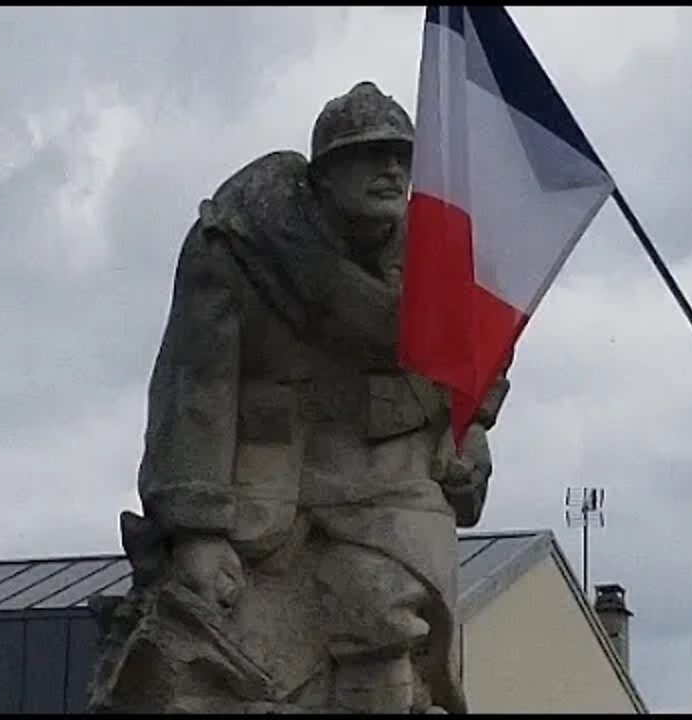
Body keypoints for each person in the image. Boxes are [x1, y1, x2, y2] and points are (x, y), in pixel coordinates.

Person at [93, 81, 509, 714]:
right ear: (324, 175)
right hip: (264, 483)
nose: (392, 169)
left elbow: (479, 343)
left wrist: (471, 422)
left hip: (390, 477)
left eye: (401, 155)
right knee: (205, 657)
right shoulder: (239, 246)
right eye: (369, 155)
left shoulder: (441, 254)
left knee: (385, 619)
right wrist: (199, 530)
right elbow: (197, 386)